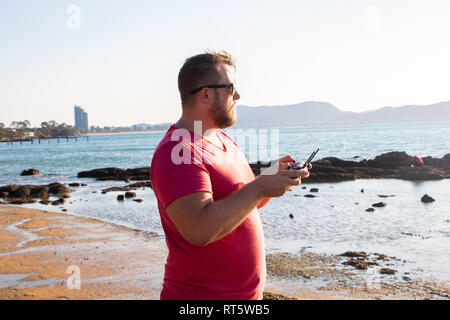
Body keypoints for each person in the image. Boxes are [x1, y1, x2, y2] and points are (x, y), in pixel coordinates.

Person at [150, 50, 311, 300]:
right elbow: (200, 230)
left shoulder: (222, 140)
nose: (237, 95)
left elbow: (243, 201)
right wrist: (259, 187)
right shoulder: (177, 151)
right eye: (230, 88)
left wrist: (271, 179)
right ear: (206, 94)